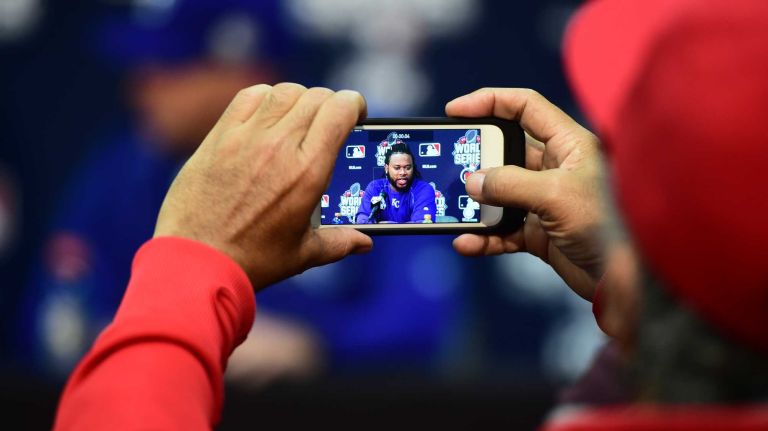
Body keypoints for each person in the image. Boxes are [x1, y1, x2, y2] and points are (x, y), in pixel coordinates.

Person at [54, 1, 768, 430]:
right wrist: (646, 286)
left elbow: (423, 322)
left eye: (625, 146)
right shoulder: (119, 167)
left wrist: (187, 273)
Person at [355, 143, 437, 224]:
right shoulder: (375, 187)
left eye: (408, 168)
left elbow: (420, 225)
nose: (403, 172)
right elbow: (362, 220)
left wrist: (384, 226)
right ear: (386, 168)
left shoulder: (423, 189)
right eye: (397, 168)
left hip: (412, 238)